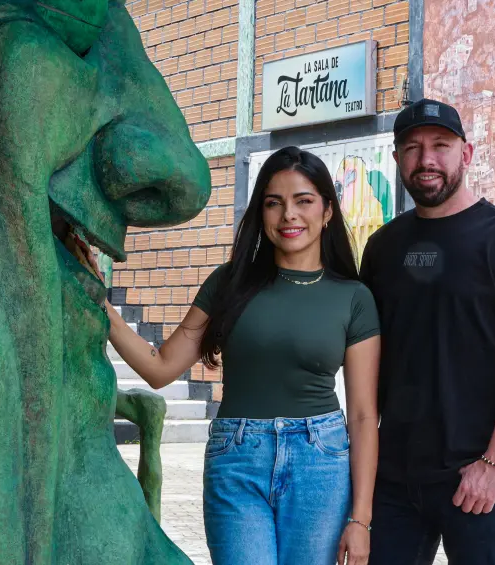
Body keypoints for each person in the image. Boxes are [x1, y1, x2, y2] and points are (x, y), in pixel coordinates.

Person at [89, 146, 381, 565]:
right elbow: (160, 367)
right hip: (238, 459)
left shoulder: (353, 298)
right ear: (261, 212)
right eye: (274, 203)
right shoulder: (229, 284)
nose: (289, 215)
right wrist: (102, 302)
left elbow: (364, 416)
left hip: (320, 463)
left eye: (304, 201)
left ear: (328, 211)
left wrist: (361, 519)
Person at [359, 99, 495, 565]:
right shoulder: (383, 247)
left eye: (440, 146)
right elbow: (369, 356)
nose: (426, 159)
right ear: (397, 159)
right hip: (394, 479)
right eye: (412, 148)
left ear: (465, 155)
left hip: (478, 477)